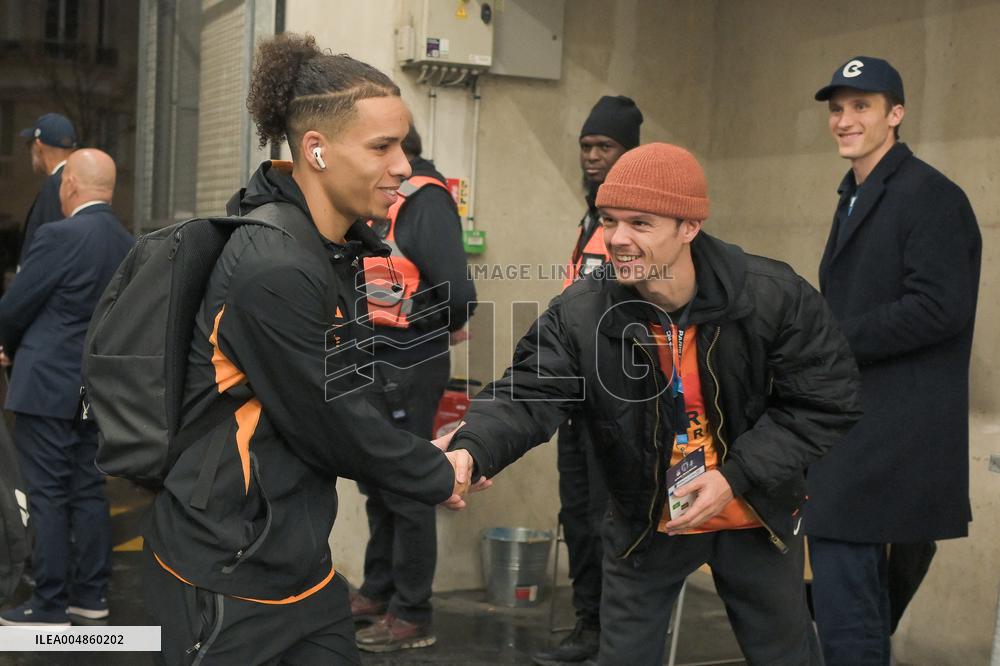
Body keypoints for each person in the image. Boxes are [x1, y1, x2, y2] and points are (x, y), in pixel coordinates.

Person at [448, 143, 862, 665]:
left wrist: (736, 475)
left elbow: (827, 402)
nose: (617, 239)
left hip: (757, 514)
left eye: (640, 223)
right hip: (646, 518)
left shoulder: (773, 296)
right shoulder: (581, 313)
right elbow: (528, 390)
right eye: (609, 220)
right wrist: (472, 447)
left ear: (688, 227)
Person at [139, 33, 479, 665]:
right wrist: (434, 471)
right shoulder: (274, 265)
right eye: (382, 146)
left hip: (299, 565)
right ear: (316, 150)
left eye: (402, 144)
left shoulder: (331, 247)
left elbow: (346, 392)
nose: (404, 165)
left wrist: (415, 456)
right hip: (225, 571)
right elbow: (332, 421)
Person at [806, 55, 981, 666]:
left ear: (895, 115)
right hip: (857, 430)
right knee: (849, 603)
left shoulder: (930, 196)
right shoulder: (854, 195)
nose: (844, 120)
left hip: (891, 434)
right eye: (837, 109)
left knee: (846, 603)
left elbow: (940, 307)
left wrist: (830, 340)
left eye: (861, 106)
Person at [351, 125, 477, 652]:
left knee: (407, 486)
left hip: (408, 362)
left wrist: (410, 319)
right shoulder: (383, 201)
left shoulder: (424, 200)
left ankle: (413, 611)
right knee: (377, 483)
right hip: (378, 361)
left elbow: (457, 295)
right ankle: (379, 591)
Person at [0, 148, 133, 626]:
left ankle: (49, 601)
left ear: (70, 183)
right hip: (94, 390)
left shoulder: (59, 236)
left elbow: (17, 304)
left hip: (46, 385)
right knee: (87, 487)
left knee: (48, 493)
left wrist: (7, 344)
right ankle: (91, 596)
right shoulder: (128, 242)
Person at [536, 94, 643, 666]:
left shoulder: (643, 224)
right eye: (587, 147)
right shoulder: (589, 221)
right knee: (576, 513)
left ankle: (612, 635)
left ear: (630, 150)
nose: (594, 157)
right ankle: (587, 623)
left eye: (606, 146)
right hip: (576, 397)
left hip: (620, 401)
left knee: (609, 516)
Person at [17, 113, 77, 268]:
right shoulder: (77, 181)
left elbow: (51, 247)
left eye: (29, 145)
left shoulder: (57, 184)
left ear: (38, 145)